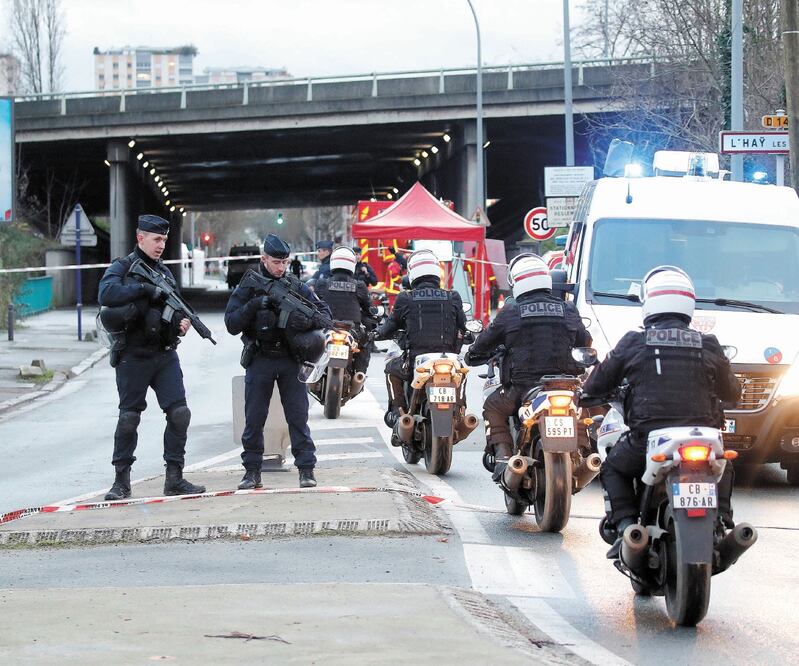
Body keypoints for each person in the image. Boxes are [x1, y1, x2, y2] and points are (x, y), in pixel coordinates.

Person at [581, 266, 741, 558]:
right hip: (703, 436)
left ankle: (627, 527)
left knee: (613, 468)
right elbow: (733, 393)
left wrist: (588, 394)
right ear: (689, 304)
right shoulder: (709, 343)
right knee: (724, 463)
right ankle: (721, 521)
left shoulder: (634, 341)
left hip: (648, 438)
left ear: (649, 303)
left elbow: (598, 383)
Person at [98, 214, 206, 501]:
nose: (161, 245)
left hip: (164, 355)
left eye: (164, 240)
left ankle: (175, 478)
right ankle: (121, 481)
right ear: (140, 238)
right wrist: (144, 289)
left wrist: (181, 323)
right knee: (129, 418)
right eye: (156, 239)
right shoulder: (123, 267)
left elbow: (175, 308)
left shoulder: (165, 274)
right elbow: (106, 293)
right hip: (133, 356)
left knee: (180, 414)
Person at [464, 254, 590, 482]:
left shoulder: (511, 312)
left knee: (493, 406)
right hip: (565, 384)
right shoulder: (568, 309)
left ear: (517, 282)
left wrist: (473, 354)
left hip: (523, 388)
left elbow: (484, 343)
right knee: (581, 409)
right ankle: (582, 455)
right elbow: (585, 342)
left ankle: (503, 458)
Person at [225, 233, 332, 490]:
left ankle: (306, 469)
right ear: (264, 259)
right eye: (276, 262)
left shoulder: (295, 286)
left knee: (298, 417)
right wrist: (254, 305)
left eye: (285, 262)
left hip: (289, 359)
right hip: (260, 357)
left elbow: (324, 315)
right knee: (254, 419)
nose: (281, 267)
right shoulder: (250, 285)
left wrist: (304, 321)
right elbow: (231, 323)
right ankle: (252, 472)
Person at [374, 249, 467, 426]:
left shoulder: (405, 297)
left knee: (391, 370)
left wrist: (377, 333)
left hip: (415, 362)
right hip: (447, 360)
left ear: (412, 273)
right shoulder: (452, 296)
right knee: (462, 374)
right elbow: (463, 325)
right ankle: (461, 411)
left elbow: (390, 326)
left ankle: (398, 412)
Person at [313, 246, 376, 374]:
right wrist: (375, 315)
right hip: (352, 330)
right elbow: (368, 309)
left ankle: (311, 370)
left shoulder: (322, 284)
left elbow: (314, 304)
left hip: (326, 327)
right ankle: (359, 374)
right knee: (365, 344)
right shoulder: (359, 285)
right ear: (352, 264)